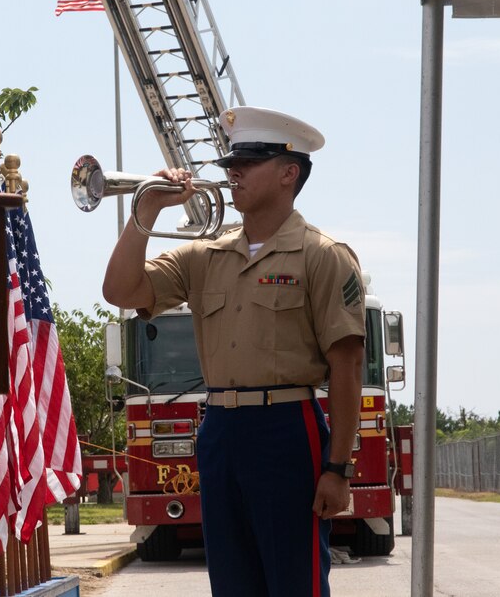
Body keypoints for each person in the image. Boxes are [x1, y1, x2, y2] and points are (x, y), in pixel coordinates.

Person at [102, 106, 365, 597]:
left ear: (290, 172)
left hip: (287, 430)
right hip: (220, 430)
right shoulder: (205, 255)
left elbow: (346, 367)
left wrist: (337, 469)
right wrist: (148, 210)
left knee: (294, 581)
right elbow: (120, 290)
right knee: (232, 583)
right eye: (231, 162)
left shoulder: (322, 255)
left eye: (249, 160)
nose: (232, 172)